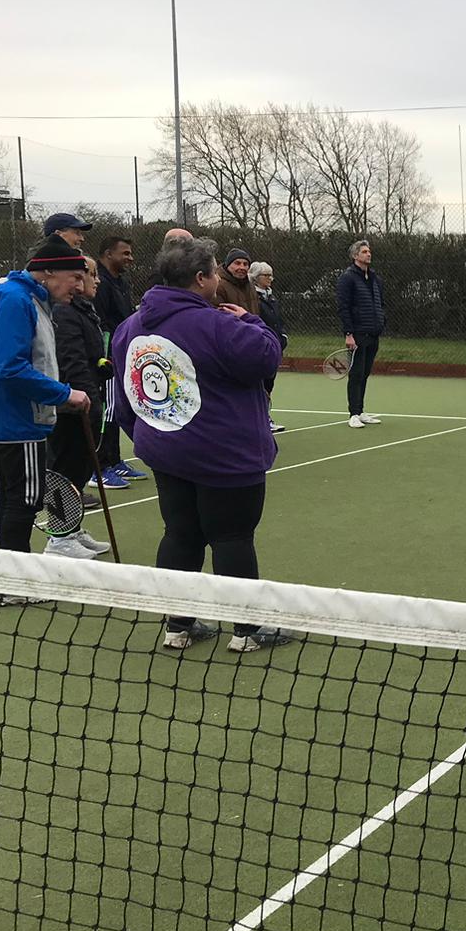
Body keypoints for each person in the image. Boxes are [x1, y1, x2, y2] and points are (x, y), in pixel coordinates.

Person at [110, 236, 292, 654]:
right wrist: (252, 320)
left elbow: (125, 396)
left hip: (166, 452)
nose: (218, 278)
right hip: (225, 458)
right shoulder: (220, 324)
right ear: (201, 279)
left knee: (181, 534)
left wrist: (145, 436)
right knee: (232, 538)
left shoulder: (128, 328)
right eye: (214, 272)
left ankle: (179, 625)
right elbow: (266, 358)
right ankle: (247, 630)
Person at [0, 222, 92, 598]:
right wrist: (66, 394)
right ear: (48, 271)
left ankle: (6, 580)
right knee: (23, 500)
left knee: (10, 497)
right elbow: (12, 368)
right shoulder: (17, 299)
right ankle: (14, 584)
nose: (79, 287)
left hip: (7, 418)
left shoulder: (22, 296)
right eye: (74, 278)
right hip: (15, 421)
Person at [44, 254, 115, 558]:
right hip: (70, 408)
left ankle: (71, 530)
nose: (96, 280)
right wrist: (87, 399)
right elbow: (71, 362)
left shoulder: (85, 310)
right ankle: (59, 538)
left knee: (80, 470)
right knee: (65, 469)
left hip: (87, 400)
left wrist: (101, 368)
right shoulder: (65, 312)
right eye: (92, 274)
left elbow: (87, 356)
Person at [90, 233, 142, 490]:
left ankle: (114, 459)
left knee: (117, 407)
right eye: (125, 253)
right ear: (108, 254)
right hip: (107, 354)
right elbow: (102, 321)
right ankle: (98, 467)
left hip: (120, 351)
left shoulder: (120, 280)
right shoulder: (98, 282)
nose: (130, 258)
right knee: (107, 410)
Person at [336, 238, 385, 429]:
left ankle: (361, 411)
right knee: (356, 374)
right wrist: (349, 333)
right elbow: (343, 307)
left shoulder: (374, 279)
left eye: (369, 251)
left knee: (364, 373)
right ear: (355, 256)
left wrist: (381, 322)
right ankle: (353, 414)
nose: (368, 254)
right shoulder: (347, 278)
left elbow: (380, 304)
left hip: (373, 334)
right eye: (364, 252)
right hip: (357, 334)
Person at [251, 261, 288, 434]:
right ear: (257, 278)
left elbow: (277, 320)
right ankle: (261, 419)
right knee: (260, 385)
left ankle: (266, 417)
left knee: (269, 384)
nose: (270, 279)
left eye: (271, 275)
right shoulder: (253, 297)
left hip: (274, 346)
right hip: (260, 346)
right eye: (267, 275)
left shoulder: (271, 297)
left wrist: (282, 337)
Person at [214, 248, 261, 314]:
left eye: (245, 264)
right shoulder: (219, 286)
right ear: (228, 265)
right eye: (237, 263)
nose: (242, 267)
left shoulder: (251, 287)